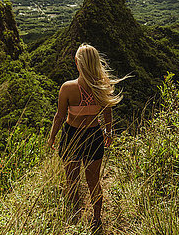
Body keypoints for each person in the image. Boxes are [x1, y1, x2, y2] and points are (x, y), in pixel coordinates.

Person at [47, 43, 130, 233]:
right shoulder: (102, 87)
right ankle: (97, 219)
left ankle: (74, 217)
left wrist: (52, 138)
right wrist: (108, 133)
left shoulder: (67, 88)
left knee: (72, 180)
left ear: (78, 63)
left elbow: (59, 117)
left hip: (71, 135)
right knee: (93, 181)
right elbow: (107, 113)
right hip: (94, 136)